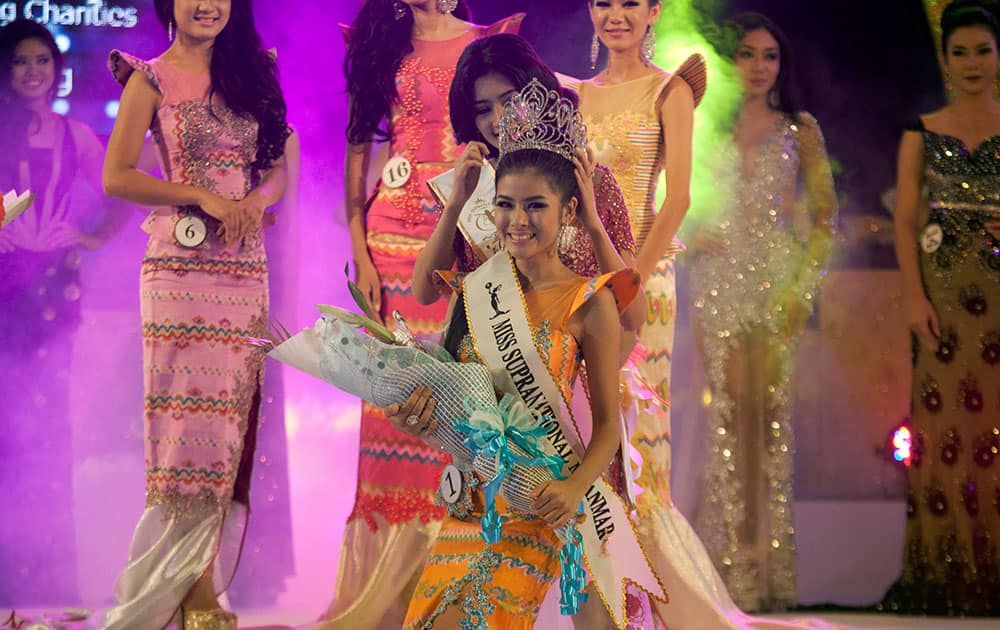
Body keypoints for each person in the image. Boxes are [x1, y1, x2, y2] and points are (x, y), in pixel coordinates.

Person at [393, 77, 645, 629]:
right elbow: (449, 388)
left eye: (536, 205)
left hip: (539, 500)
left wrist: (575, 486)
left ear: (568, 211)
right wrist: (413, 416)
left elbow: (607, 428)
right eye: (506, 204)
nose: (519, 220)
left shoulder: (590, 301)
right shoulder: (478, 287)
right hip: (473, 498)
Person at [323, 2, 524, 626]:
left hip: (463, 225)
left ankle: (448, 584)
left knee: (456, 400)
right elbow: (357, 152)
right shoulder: (380, 40)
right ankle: (383, 600)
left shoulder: (488, 40)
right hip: (388, 236)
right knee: (393, 407)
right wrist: (357, 248)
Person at [99, 0, 290, 626]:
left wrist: (256, 201)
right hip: (180, 272)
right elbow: (117, 177)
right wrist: (197, 193)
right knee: (185, 433)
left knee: (229, 432)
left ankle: (199, 587)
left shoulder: (254, 71)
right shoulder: (147, 78)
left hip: (243, 267)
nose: (208, 4)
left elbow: (280, 166)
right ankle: (187, 594)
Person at [687, 13, 837, 612]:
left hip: (774, 283)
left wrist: (804, 287)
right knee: (727, 414)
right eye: (745, 54)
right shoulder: (704, 125)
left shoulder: (800, 129)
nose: (756, 66)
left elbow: (826, 217)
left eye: (769, 56)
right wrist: (691, 238)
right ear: (728, 62)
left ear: (782, 64)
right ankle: (724, 566)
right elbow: (675, 200)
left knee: (767, 419)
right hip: (717, 282)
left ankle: (764, 562)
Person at [0, 18, 125, 605]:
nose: (32, 72)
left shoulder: (76, 134)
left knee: (46, 424)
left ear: (57, 70)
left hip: (51, 285)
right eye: (21, 61)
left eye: (41, 61)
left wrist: (87, 235)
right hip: (1, 280)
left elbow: (119, 194)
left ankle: (48, 579)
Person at [563, 0, 706, 513]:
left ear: (654, 11)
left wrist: (631, 280)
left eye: (630, 3)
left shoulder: (671, 90)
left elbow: (680, 197)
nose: (616, 15)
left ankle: (647, 570)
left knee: (639, 422)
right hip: (580, 279)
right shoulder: (573, 94)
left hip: (643, 276)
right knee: (582, 419)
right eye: (604, 3)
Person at [883, 0, 1000, 616]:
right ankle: (948, 572)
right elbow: (905, 222)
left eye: (983, 50)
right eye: (960, 52)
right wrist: (914, 297)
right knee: (947, 434)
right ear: (945, 58)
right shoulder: (920, 129)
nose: (972, 63)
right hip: (944, 302)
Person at [411, 33, 644, 334]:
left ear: (536, 96)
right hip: (489, 369)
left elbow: (633, 317)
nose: (497, 121)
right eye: (482, 110)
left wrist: (594, 224)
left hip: (570, 367)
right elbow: (424, 293)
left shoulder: (590, 180)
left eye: (510, 102)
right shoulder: (472, 185)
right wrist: (456, 203)